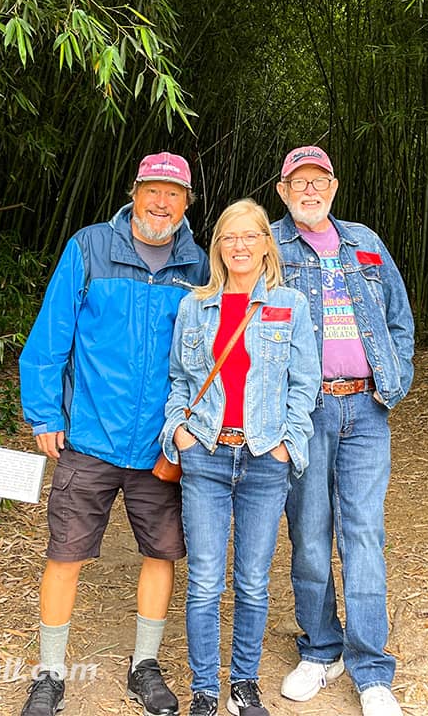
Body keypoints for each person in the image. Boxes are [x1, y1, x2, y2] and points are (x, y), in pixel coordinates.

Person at [18, 152, 209, 716]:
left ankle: (144, 665)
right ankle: (50, 674)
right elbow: (51, 335)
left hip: (161, 442)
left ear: (186, 203)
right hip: (90, 436)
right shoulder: (90, 247)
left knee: (161, 552)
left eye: (173, 194)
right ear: (135, 190)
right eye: (153, 190)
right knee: (65, 553)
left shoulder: (199, 265)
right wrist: (45, 413)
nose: (161, 202)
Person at [160, 199, 320, 716]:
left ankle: (244, 684)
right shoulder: (195, 306)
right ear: (218, 247)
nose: (241, 245)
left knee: (252, 581)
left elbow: (305, 385)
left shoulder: (290, 305)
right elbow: (179, 381)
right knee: (205, 581)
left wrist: (285, 444)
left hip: (263, 459)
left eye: (251, 235)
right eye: (230, 237)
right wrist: (179, 431)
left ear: (266, 244)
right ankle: (206, 688)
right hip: (205, 452)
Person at [271, 146, 415, 716]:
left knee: (362, 533)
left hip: (365, 411)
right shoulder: (271, 247)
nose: (310, 191)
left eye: (319, 181)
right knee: (308, 534)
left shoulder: (366, 242)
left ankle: (371, 668)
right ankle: (320, 647)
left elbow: (400, 318)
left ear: (333, 185)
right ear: (282, 192)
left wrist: (393, 383)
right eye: (298, 183)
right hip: (304, 412)